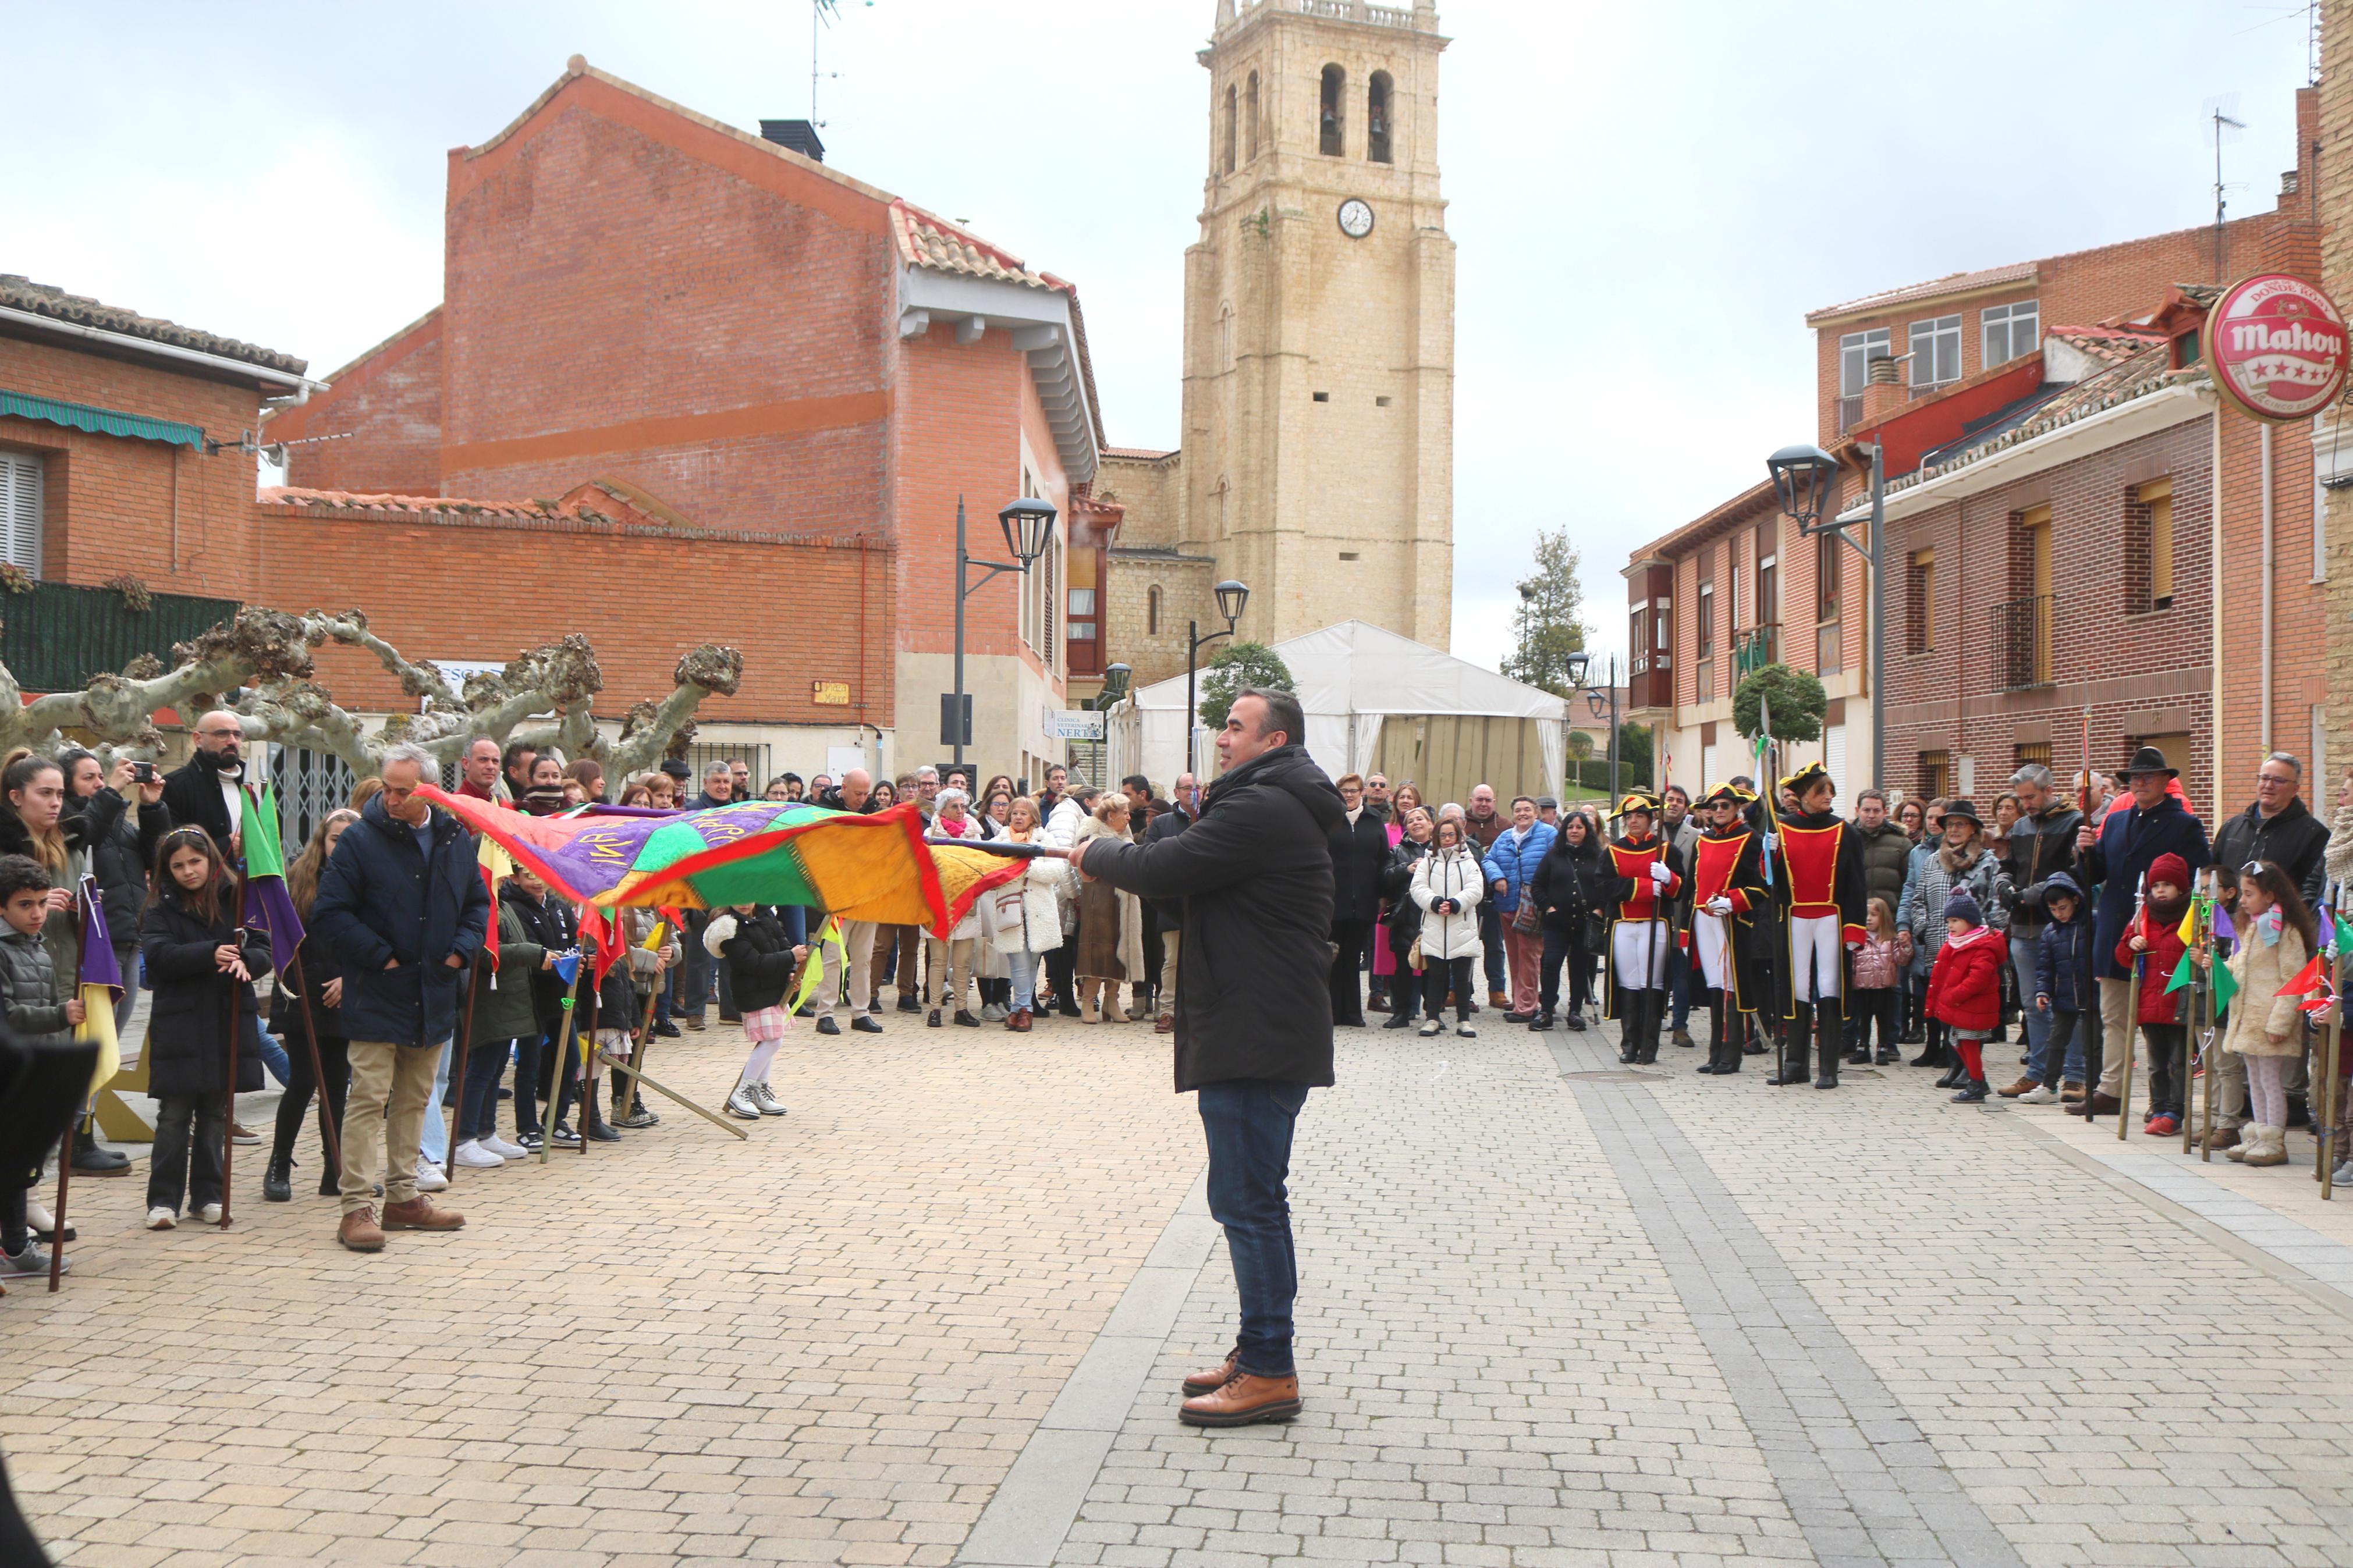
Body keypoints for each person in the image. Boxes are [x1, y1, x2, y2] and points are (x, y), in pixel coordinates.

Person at [1069, 687, 1341, 1427]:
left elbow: (1168, 870)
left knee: (1249, 1204)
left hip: (1257, 1031)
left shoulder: (1266, 806)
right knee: (1247, 1200)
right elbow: (1179, 871)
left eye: (1234, 727)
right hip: (1254, 1025)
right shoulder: (1266, 798)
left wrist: (1101, 852)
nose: (1221, 738)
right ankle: (1256, 1350)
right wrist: (1124, 847)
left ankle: (1269, 1369)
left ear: (1274, 740)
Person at [309, 742, 489, 1253]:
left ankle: (404, 1196)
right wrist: (381, 956)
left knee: (415, 1097)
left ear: (427, 790)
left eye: (403, 791)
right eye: (386, 788)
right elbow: (330, 913)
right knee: (367, 1097)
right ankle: (356, 1206)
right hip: (377, 990)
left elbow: (478, 904)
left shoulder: (454, 837)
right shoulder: (361, 840)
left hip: (432, 990)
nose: (390, 798)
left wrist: (459, 953)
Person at [136, 826, 272, 1228]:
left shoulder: (238, 897)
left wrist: (247, 958)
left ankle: (208, 1195)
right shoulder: (160, 907)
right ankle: (162, 1200)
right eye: (178, 865)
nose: (188, 871)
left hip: (226, 1016)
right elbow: (159, 956)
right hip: (179, 1021)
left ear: (212, 859)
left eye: (195, 861)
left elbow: (264, 947)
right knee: (174, 1114)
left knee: (215, 1111)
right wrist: (209, 953)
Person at [2077, 747, 2210, 1122]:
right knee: (2114, 1015)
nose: (2139, 783)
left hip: (2161, 937)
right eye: (2135, 777)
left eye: (2148, 776)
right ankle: (2110, 1089)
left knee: (2161, 1023)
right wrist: (2085, 852)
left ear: (2166, 781)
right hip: (2117, 931)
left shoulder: (2184, 824)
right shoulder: (2117, 822)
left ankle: (2167, 1101)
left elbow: (2199, 881)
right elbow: (2095, 874)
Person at [265, 809, 357, 1201]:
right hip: (300, 993)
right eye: (335, 838)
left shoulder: (367, 882)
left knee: (337, 1085)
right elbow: (281, 940)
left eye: (349, 839)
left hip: (345, 994)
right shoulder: (298, 881)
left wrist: (351, 980)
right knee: (303, 1080)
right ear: (322, 840)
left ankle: (333, 1167)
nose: (340, 846)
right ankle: (279, 1163)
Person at [0, 855, 81, 1272]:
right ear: (2, 907)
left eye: (41, 902)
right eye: (25, 904)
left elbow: (50, 1007)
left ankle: (13, 1247)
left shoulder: (39, 948)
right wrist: (59, 1016)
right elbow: (9, 1013)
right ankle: (15, 1248)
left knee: (19, 1169)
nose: (36, 913)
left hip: (30, 1071)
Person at [2210, 861, 2317, 1168]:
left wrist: (2281, 1022)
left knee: (2270, 1081)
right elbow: (2241, 967)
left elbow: (2293, 979)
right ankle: (2258, 1135)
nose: (2241, 900)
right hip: (2247, 1018)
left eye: (2248, 894)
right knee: (2254, 1080)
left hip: (2268, 1017)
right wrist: (2215, 965)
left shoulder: (2286, 931)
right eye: (2242, 894)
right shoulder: (2251, 926)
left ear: (2270, 895)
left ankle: (2274, 1140)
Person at [452, 865, 555, 1168]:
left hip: (508, 1000)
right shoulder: (480, 906)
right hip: (490, 1001)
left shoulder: (502, 904)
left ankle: (485, 1132)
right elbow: (486, 954)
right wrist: (534, 952)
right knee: (481, 1071)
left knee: (495, 1070)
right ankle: (463, 1138)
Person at [1771, 763, 1867, 1089]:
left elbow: (1856, 884)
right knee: (1796, 989)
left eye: (1830, 790)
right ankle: (1796, 1064)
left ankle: (1829, 1067)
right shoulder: (1781, 830)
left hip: (1831, 918)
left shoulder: (1845, 832)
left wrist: (1854, 928)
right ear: (1803, 797)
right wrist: (1768, 858)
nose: (1828, 796)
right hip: (1796, 918)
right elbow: (1773, 885)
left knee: (1829, 988)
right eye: (1820, 791)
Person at [1999, 763, 2085, 1104]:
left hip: (2061, 926)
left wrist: (2034, 893)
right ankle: (2037, 1072)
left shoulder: (2074, 822)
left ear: (2049, 790)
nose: (2026, 805)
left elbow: (2075, 871)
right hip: (2023, 926)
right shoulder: (2019, 826)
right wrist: (2003, 883)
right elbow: (2007, 864)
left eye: (2031, 797)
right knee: (2031, 1006)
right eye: (2021, 799)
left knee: (2069, 1004)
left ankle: (2075, 1075)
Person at [1900, 799, 2000, 1080]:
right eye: (1950, 825)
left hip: (1975, 949)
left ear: (1973, 830)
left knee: (1970, 1010)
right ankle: (1954, 1063)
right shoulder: (1933, 861)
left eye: (1961, 824)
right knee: (1945, 1007)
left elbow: (1995, 903)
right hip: (1939, 947)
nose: (1954, 830)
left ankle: (1970, 1068)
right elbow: (1918, 899)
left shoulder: (1988, 861)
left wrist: (1990, 936)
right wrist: (1922, 928)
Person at [1681, 784, 1772, 1075]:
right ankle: (1715, 1053)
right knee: (1715, 987)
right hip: (1703, 919)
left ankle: (1732, 1054)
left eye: (1725, 806)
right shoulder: (1702, 841)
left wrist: (1733, 901)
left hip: (1731, 920)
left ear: (1737, 808)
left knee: (1731, 987)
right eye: (1715, 807)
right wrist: (1685, 929)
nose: (1719, 811)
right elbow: (1692, 887)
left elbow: (1761, 887)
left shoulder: (1750, 839)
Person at [1600, 792, 1684, 1065]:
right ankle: (1629, 1044)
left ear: (1651, 819)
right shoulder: (1612, 851)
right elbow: (1604, 887)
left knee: (1653, 984)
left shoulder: (1668, 851)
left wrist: (1668, 878)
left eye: (1639, 816)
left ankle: (1649, 1046)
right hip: (1624, 925)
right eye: (1629, 817)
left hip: (1655, 924)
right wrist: (1645, 887)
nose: (1633, 821)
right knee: (1629, 984)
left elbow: (1680, 891)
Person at [2116, 851, 2194, 1137]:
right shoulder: (2143, 916)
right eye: (2156, 885)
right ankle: (2158, 1105)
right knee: (2156, 1062)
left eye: (2167, 885)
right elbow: (2123, 955)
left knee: (2179, 1060)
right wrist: (2131, 943)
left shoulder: (2191, 916)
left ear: (2181, 888)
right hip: (2150, 1002)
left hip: (2179, 1003)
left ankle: (2175, 1109)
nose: (2161, 891)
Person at [707, 904, 806, 1119]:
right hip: (752, 991)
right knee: (773, 1040)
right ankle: (742, 1092)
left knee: (770, 1039)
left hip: (774, 987)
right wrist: (790, 956)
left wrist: (789, 972)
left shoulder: (765, 914)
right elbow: (753, 963)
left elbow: (781, 942)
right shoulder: (729, 927)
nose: (744, 902)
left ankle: (760, 1090)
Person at [2014, 872, 2093, 1106]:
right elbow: (2045, 968)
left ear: (2076, 900)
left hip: (2091, 997)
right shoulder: (2050, 932)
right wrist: (2043, 992)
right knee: (2056, 1042)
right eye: (2054, 910)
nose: (2060, 914)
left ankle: (2094, 1086)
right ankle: (2049, 1086)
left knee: (2094, 1043)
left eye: (2063, 907)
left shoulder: (2092, 922)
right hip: (2063, 997)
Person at [993, 797, 1069, 1031]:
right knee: (1018, 961)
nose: (1018, 817)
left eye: (1023, 814)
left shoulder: (1045, 839)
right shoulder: (1000, 840)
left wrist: (1026, 868)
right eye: (1014, 813)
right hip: (1010, 907)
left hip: (1038, 910)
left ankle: (1019, 1010)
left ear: (1033, 818)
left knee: (1032, 961)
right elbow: (992, 870)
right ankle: (1024, 1009)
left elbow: (1057, 870)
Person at [1480, 795, 1556, 1026]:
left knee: (1530, 956)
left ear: (1536, 813)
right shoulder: (1505, 837)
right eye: (1518, 810)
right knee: (1514, 956)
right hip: (1508, 904)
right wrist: (1498, 877)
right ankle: (1521, 1000)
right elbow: (1488, 860)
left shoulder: (1548, 835)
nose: (1522, 814)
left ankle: (1526, 1006)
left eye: (1527, 810)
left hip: (1533, 906)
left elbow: (1557, 863)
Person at [1528, 807, 1603, 1033]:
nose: (1574, 831)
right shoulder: (1554, 855)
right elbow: (1538, 885)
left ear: (1586, 831)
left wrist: (1600, 910)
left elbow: (1605, 887)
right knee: (1550, 965)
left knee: (1579, 968)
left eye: (1579, 827)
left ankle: (1575, 1011)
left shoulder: (1597, 856)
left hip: (1584, 923)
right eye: (1570, 827)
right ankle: (1547, 1011)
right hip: (1556, 923)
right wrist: (1548, 908)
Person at [1073, 794, 1145, 1023]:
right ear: (1111, 815)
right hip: (1098, 898)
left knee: (1119, 946)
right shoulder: (1090, 836)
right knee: (1097, 947)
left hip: (1122, 901)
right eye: (1124, 812)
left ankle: (1111, 1001)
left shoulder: (1126, 839)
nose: (1128, 817)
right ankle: (1088, 1000)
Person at [1326, 774, 1390, 1029]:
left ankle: (1352, 1013)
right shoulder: (1329, 820)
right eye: (1344, 791)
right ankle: (1331, 1012)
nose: (1349, 795)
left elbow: (1384, 859)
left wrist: (1383, 894)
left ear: (1362, 792)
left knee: (1353, 958)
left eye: (1353, 791)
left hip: (1364, 901)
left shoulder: (1374, 821)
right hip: (1333, 901)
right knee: (1332, 958)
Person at [1926, 891, 2004, 1102]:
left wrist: (1953, 995)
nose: (1950, 925)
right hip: (1958, 1005)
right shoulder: (1955, 943)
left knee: (1968, 1045)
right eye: (1948, 921)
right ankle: (1979, 1080)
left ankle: (1977, 1085)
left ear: (1970, 921)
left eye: (1955, 921)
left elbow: (1977, 979)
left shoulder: (1981, 947)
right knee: (1957, 1043)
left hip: (1972, 1006)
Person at [1412, 817, 1487, 1039]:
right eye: (1442, 835)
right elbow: (1417, 887)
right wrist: (1435, 902)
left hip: (1462, 926)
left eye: (1451, 835)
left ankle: (1464, 1020)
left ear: (1459, 836)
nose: (1446, 839)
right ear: (1436, 837)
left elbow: (1476, 889)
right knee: (1435, 975)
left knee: (1462, 977)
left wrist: (1455, 904)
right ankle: (1433, 1018)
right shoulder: (1427, 862)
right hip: (1435, 925)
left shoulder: (1469, 862)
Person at [1145, 773, 1198, 1032]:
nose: (1192, 792)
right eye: (1187, 788)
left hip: (1206, 903)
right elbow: (1150, 858)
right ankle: (1167, 1012)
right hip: (1173, 903)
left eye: (1197, 787)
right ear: (1176, 793)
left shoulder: (1211, 819)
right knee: (1173, 961)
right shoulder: (1162, 824)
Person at [160, 710, 250, 859]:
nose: (232, 741)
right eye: (222, 734)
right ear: (198, 739)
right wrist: (225, 847)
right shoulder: (175, 786)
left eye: (237, 735)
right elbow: (169, 848)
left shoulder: (252, 781)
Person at [1379, 806, 1435, 1027]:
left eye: (1421, 819)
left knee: (1434, 969)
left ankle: (1433, 1014)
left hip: (1433, 916)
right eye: (1411, 821)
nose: (1416, 823)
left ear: (1431, 824)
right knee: (1402, 968)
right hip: (1405, 916)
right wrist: (1407, 869)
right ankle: (1401, 1013)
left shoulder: (1441, 850)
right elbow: (1384, 878)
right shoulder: (1396, 851)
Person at [1463, 785, 1509, 1008]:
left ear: (1494, 802)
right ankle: (1462, 992)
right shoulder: (1459, 824)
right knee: (1463, 947)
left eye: (1488, 800)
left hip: (1493, 898)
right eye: (1479, 800)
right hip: (1465, 898)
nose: (1483, 804)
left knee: (1495, 946)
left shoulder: (1506, 827)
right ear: (1471, 801)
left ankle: (1497, 991)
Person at [1849, 897, 1903, 1070]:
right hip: (1863, 987)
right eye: (1866, 915)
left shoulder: (1890, 940)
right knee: (1863, 1019)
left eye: (1874, 915)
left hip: (1884, 987)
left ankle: (1883, 1047)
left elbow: (1901, 960)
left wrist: (1906, 947)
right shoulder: (1858, 940)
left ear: (1883, 917)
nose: (1869, 919)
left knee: (1883, 1019)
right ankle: (1863, 1047)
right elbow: (1852, 963)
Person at [456, 737, 503, 803]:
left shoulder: (503, 806)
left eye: (495, 761)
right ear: (466, 764)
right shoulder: (451, 808)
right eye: (483, 760)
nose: (491, 766)